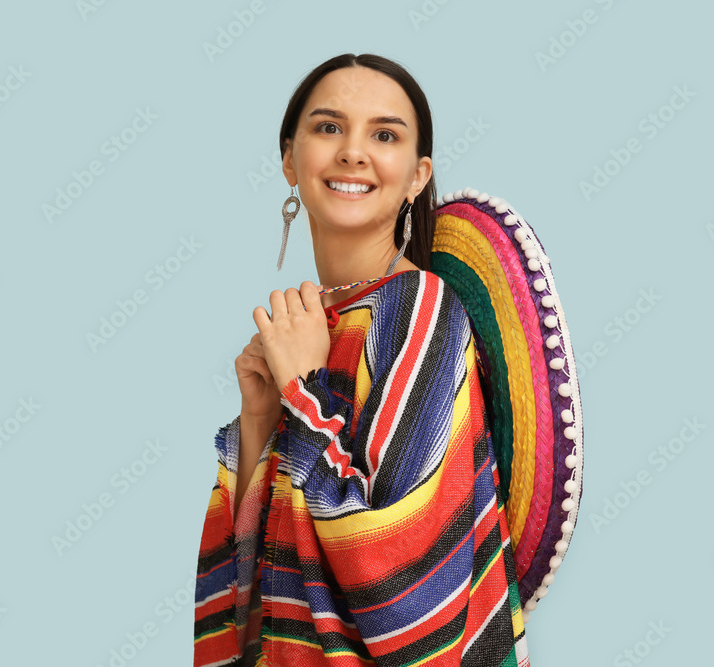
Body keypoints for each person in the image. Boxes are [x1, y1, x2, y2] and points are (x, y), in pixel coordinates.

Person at [194, 53, 530, 667]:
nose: (353, 152)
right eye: (328, 128)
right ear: (290, 159)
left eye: (384, 134)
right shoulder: (317, 321)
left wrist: (303, 390)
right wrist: (262, 421)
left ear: (417, 175)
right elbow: (254, 594)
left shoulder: (419, 309)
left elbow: (404, 588)